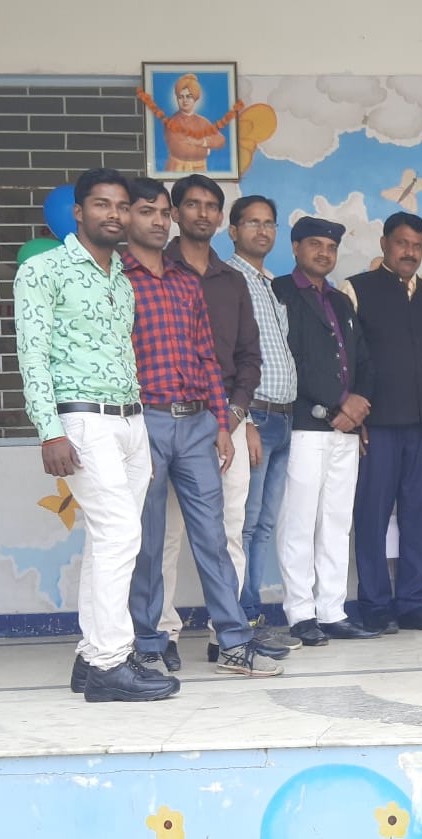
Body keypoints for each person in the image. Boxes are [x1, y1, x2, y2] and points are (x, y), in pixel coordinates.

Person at [14, 168, 178, 703]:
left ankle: (91, 658)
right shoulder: (44, 269)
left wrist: (139, 428)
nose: (114, 214)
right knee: (121, 536)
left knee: (108, 540)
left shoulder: (120, 279)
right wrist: (50, 431)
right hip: (82, 420)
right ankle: (111, 663)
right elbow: (32, 355)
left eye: (122, 206)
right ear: (79, 212)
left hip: (131, 421)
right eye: (102, 204)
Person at [121, 177, 287, 678]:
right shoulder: (117, 278)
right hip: (147, 420)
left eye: (211, 205)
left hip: (200, 422)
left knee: (215, 537)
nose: (158, 219)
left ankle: (232, 641)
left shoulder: (190, 282)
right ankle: (151, 643)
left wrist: (222, 420)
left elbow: (208, 359)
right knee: (151, 541)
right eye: (148, 211)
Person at [157, 174, 265, 660]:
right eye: (193, 204)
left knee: (229, 528)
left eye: (211, 206)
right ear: (175, 213)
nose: (203, 213)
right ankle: (163, 634)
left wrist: (235, 415)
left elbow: (249, 357)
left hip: (226, 421)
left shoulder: (232, 280)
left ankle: (228, 634)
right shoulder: (154, 272)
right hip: (167, 418)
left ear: (221, 218)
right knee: (165, 534)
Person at [344, 212, 422, 634]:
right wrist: (354, 415)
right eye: (402, 243)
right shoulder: (356, 290)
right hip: (375, 425)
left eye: (417, 245)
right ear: (384, 244)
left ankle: (414, 605)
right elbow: (345, 359)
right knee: (372, 515)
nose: (410, 252)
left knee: (419, 518)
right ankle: (375, 605)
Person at [273, 217, 378, 645]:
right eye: (315, 244)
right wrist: (335, 406)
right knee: (298, 522)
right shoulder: (281, 293)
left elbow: (364, 361)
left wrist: (359, 405)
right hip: (304, 426)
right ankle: (301, 613)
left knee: (336, 522)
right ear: (296, 247)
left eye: (330, 247)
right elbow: (287, 362)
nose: (324, 253)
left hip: (345, 431)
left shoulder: (340, 301)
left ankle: (332, 611)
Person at [227, 196, 298, 633]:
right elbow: (227, 356)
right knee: (244, 524)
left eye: (269, 223)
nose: (262, 230)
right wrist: (247, 422)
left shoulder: (271, 284)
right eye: (252, 223)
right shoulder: (228, 280)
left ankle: (251, 617)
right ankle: (241, 620)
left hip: (284, 419)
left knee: (265, 524)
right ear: (233, 231)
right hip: (255, 418)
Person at [163, 74, 226, 173]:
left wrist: (202, 142)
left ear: (195, 98)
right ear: (177, 99)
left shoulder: (202, 121)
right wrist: (206, 150)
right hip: (177, 170)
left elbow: (220, 140)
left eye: (189, 96)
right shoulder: (171, 123)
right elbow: (181, 150)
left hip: (201, 169)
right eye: (181, 97)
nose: (185, 100)